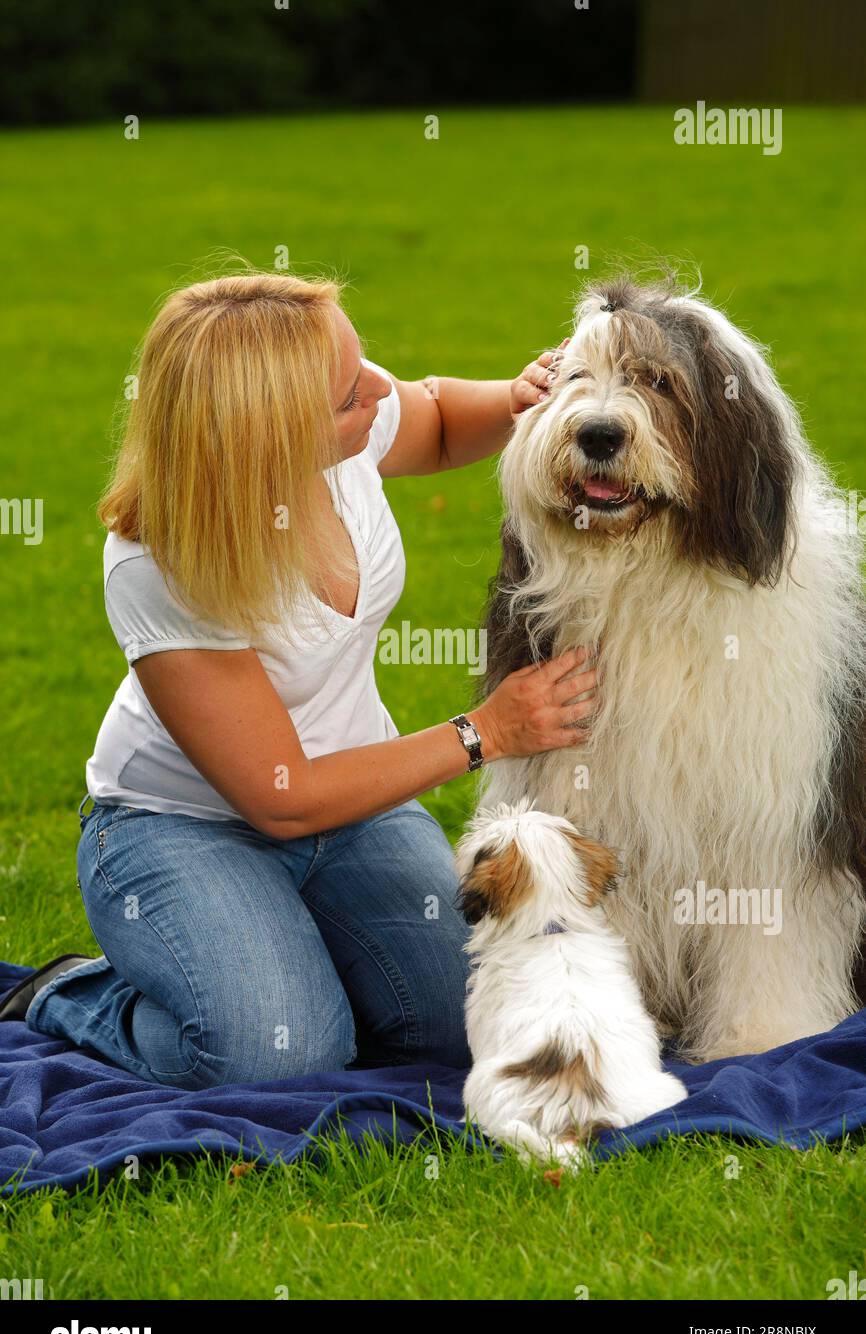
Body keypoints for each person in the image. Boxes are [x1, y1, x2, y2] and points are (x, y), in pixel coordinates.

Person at [0, 272, 598, 1087]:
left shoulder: (347, 415)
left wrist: (515, 399)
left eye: (360, 376)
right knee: (280, 1054)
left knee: (469, 1024)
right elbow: (282, 795)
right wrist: (484, 732)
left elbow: (438, 415)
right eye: (351, 397)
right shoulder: (158, 563)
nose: (378, 397)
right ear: (266, 437)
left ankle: (297, 958)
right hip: (184, 829)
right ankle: (77, 995)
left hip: (359, 811)